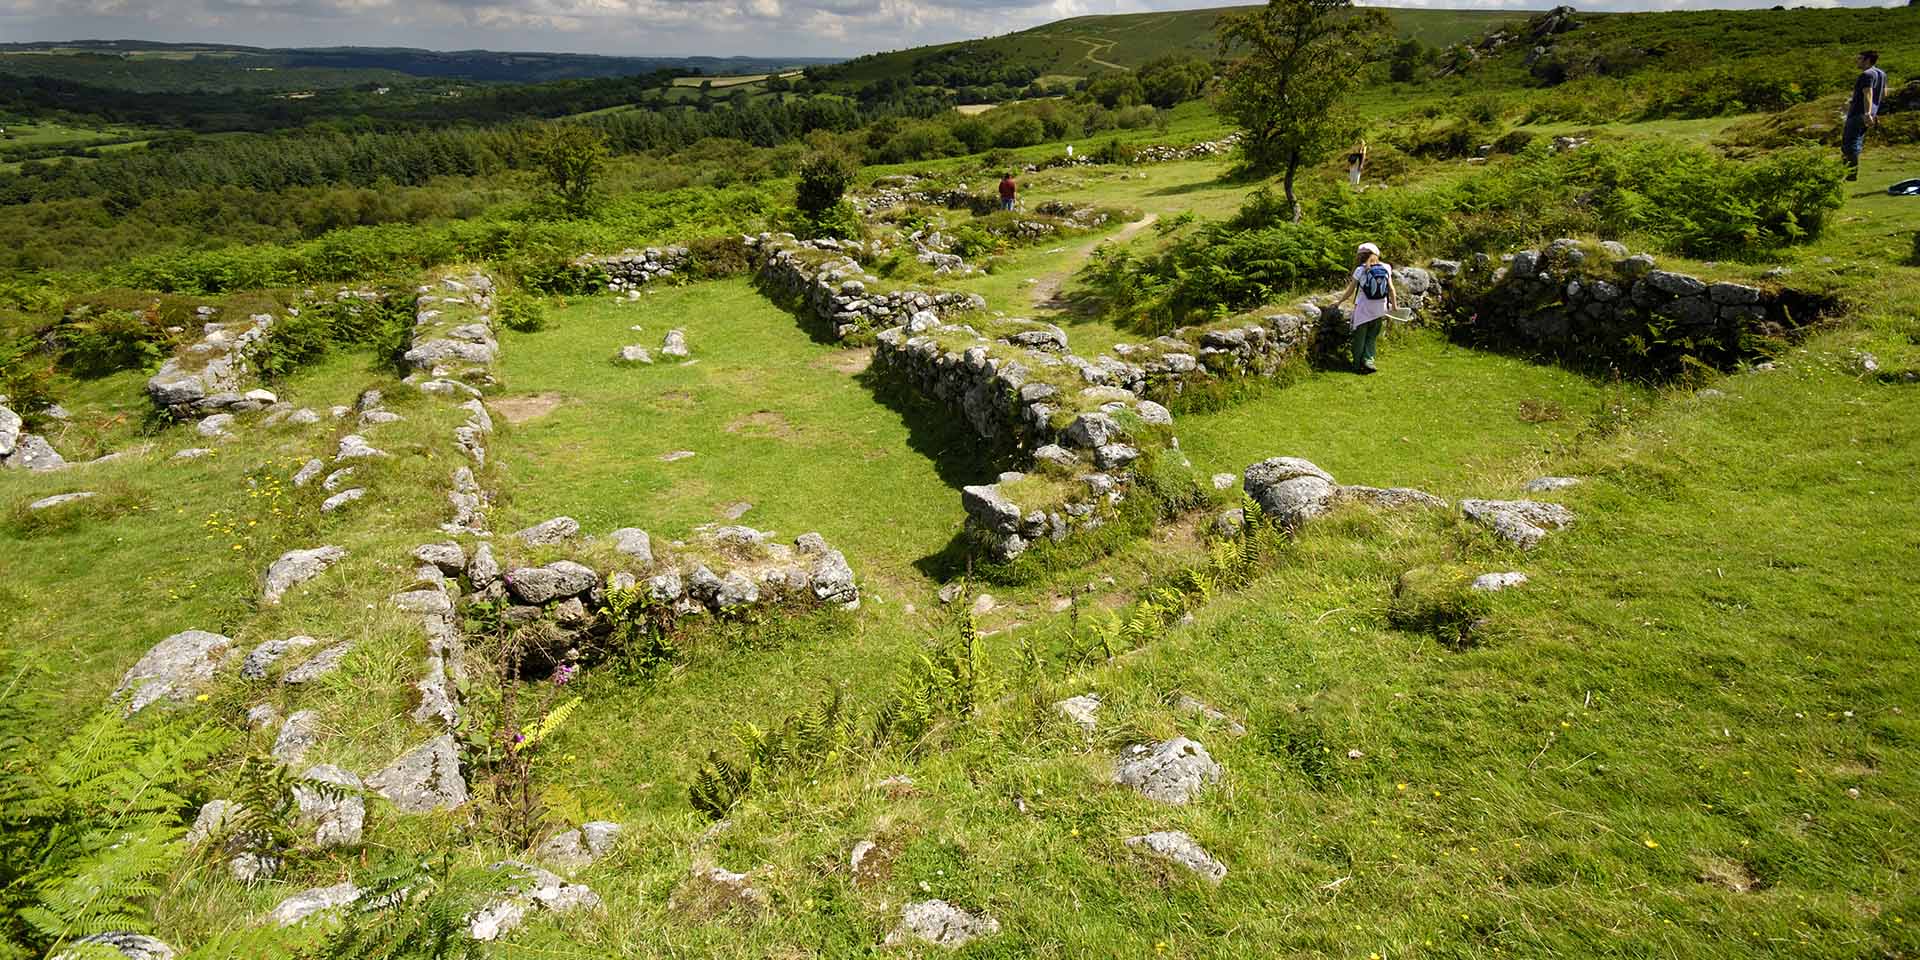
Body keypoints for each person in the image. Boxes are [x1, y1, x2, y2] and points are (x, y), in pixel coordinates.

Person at [1331, 242, 1396, 374]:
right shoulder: (1386, 267)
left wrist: (1339, 302)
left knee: (1359, 338)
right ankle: (1368, 361)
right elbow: (1391, 289)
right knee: (1371, 337)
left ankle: (1356, 365)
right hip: (1380, 308)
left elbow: (1350, 291)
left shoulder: (1360, 270)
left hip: (1363, 309)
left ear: (1361, 256)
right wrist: (1394, 305)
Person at [1842, 50, 1887, 182]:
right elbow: (1883, 94)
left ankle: (1850, 176)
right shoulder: (1882, 74)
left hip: (1858, 113)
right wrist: (1874, 111)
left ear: (1867, 60)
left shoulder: (1866, 74)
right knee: (1856, 142)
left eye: (1860, 59)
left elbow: (1867, 92)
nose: (1857, 61)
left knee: (1849, 144)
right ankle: (1850, 174)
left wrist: (1867, 112)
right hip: (1870, 113)